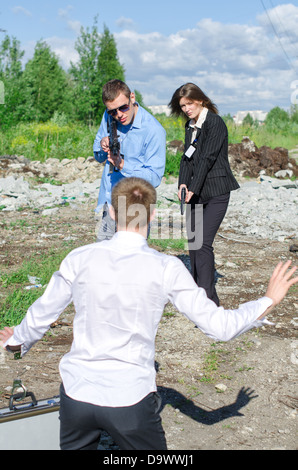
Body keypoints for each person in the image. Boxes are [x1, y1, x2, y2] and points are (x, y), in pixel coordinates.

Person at [0, 177, 297, 451]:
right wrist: (266, 301)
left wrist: (16, 342)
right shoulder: (166, 268)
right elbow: (219, 327)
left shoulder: (80, 258)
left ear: (111, 213)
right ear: (152, 215)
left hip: (76, 398)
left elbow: (41, 313)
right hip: (129, 401)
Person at [169, 83, 240, 306]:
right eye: (182, 106)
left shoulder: (215, 123)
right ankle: (196, 293)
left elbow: (207, 158)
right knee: (193, 243)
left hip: (216, 191)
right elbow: (187, 158)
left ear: (200, 100)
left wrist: (193, 188)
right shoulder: (190, 126)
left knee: (203, 244)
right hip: (194, 192)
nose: (186, 109)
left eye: (189, 103)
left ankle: (209, 302)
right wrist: (182, 183)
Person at [93, 79, 166, 241]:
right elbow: (97, 156)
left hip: (136, 205)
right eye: (113, 111)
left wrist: (123, 165)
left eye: (123, 107)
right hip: (110, 202)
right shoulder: (108, 116)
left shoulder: (154, 131)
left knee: (132, 261)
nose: (119, 115)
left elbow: (154, 177)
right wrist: (102, 145)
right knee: (105, 257)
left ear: (132, 97)